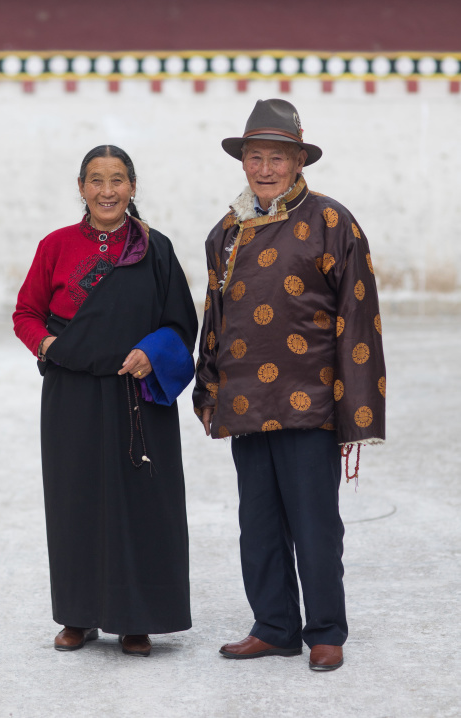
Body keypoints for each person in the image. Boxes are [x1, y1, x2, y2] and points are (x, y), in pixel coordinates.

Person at [193, 99, 385, 671]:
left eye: (278, 157)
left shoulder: (333, 222)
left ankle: (325, 629)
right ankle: (274, 625)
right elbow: (215, 316)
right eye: (256, 157)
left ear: (299, 160)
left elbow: (360, 321)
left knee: (314, 522)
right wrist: (209, 389)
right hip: (247, 402)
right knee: (257, 522)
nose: (265, 168)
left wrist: (358, 411)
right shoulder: (226, 231)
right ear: (243, 162)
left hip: (310, 403)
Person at [14, 145, 198, 657]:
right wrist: (49, 345)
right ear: (80, 187)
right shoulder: (55, 246)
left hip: (136, 391)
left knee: (141, 503)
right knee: (76, 499)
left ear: (133, 187)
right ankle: (79, 616)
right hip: (71, 392)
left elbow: (182, 325)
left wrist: (151, 351)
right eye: (96, 180)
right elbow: (26, 312)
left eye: (118, 179)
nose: (107, 190)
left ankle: (136, 619)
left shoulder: (154, 249)